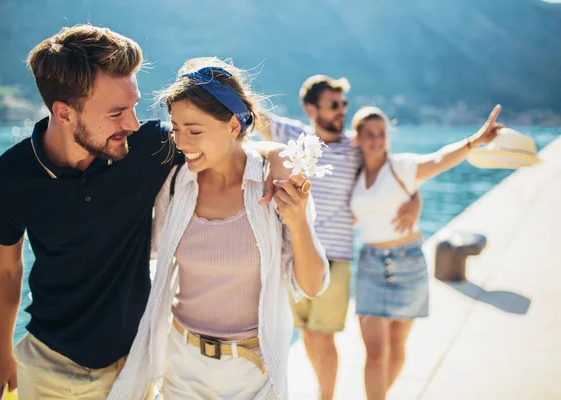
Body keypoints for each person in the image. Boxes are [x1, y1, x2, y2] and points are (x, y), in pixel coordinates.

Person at [0, 25, 288, 400]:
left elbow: (230, 144)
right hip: (45, 364)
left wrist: (276, 158)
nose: (132, 123)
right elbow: (6, 269)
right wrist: (0, 351)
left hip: (132, 365)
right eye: (116, 113)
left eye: (134, 106)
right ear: (63, 113)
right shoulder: (6, 178)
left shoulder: (150, 147)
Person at [107, 58, 330, 399]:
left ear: (232, 125)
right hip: (181, 365)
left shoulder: (276, 185)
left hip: (253, 370)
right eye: (176, 128)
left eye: (194, 131)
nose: (181, 142)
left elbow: (312, 286)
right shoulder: (175, 184)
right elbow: (146, 249)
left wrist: (298, 223)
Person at [257, 75, 421, 400]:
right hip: (291, 256)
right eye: (333, 105)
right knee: (305, 331)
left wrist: (414, 199)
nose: (341, 111)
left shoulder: (354, 146)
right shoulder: (292, 136)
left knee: (324, 336)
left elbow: (393, 171)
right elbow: (252, 115)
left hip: (334, 258)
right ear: (310, 108)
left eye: (343, 104)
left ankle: (327, 397)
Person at [349, 105, 503, 400]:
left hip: (407, 262)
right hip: (370, 265)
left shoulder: (403, 167)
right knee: (375, 354)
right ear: (357, 138)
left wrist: (475, 140)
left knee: (397, 347)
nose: (376, 140)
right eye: (369, 134)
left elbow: (439, 160)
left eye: (381, 133)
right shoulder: (353, 176)